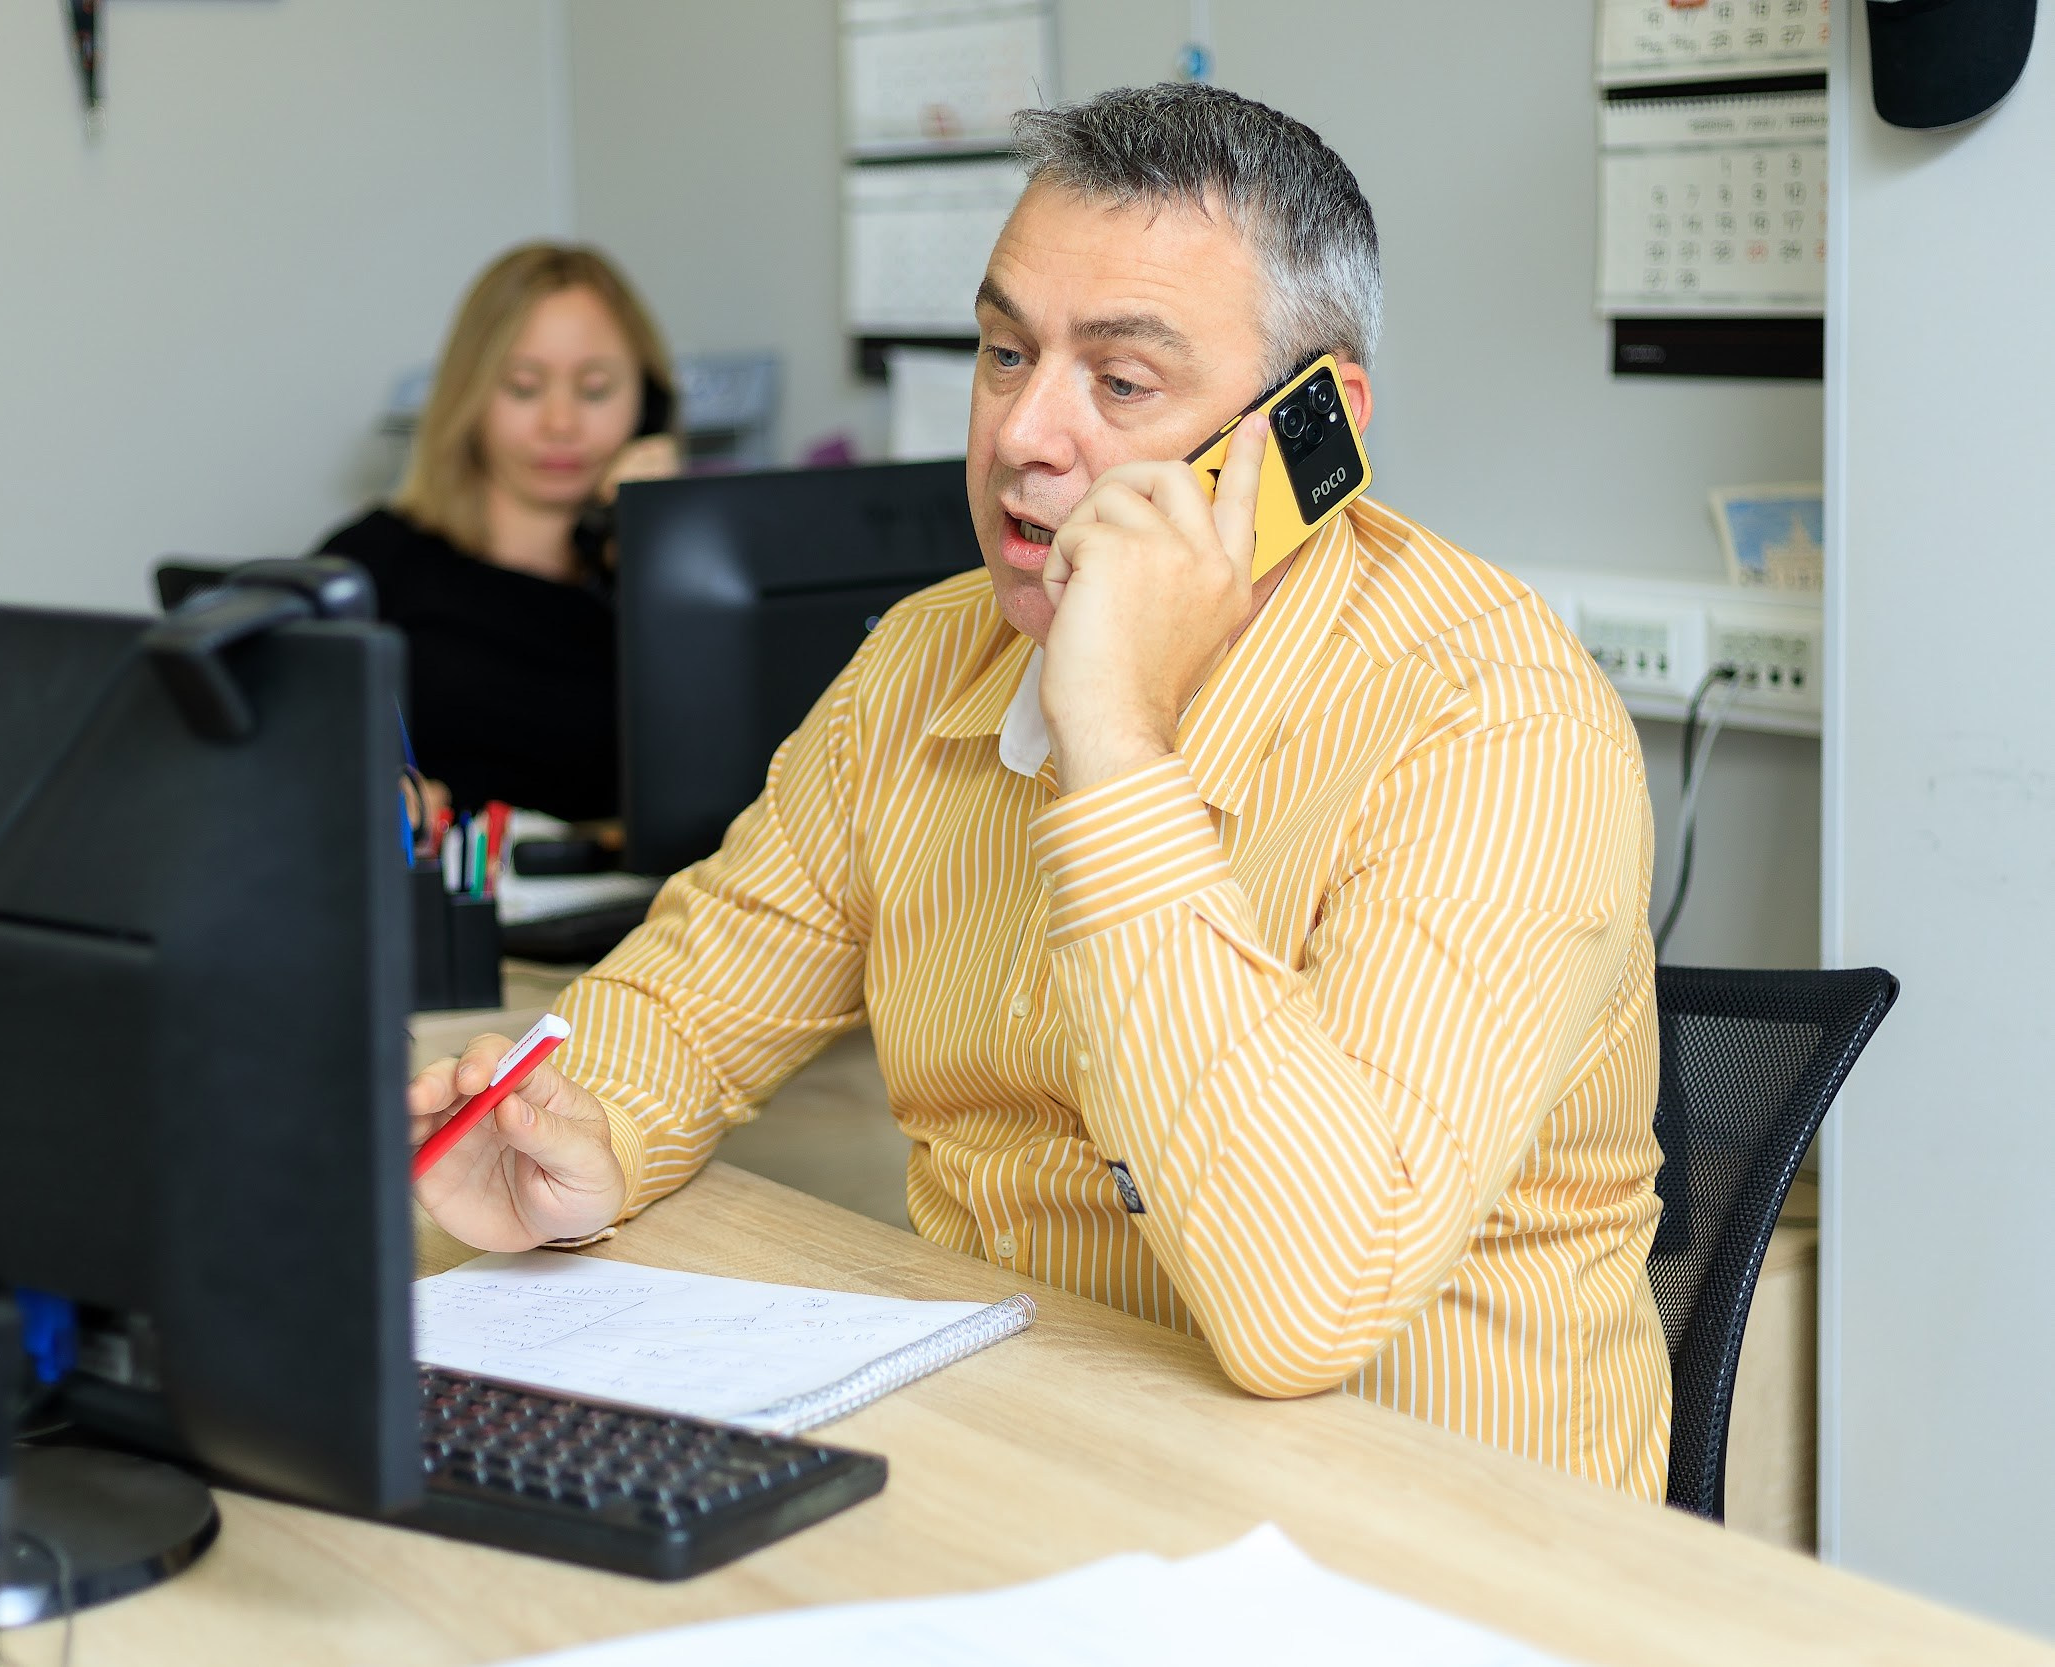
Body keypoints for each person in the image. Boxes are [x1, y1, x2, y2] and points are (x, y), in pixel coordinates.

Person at [408, 86, 1670, 1498]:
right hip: (1030, 1473)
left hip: (1426, 1546)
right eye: (1005, 352)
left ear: (1310, 429)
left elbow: (1307, 1300)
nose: (1023, 435)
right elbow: (683, 1008)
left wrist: (1113, 733)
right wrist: (580, 1132)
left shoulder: (1493, 716)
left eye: (1119, 383)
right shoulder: (921, 663)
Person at [317, 244, 681, 820]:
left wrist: (658, 540)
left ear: (648, 406)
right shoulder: (370, 566)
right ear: (471, 398)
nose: (560, 424)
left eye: (594, 391)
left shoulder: (668, 589)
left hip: (641, 907)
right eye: (523, 387)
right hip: (449, 898)